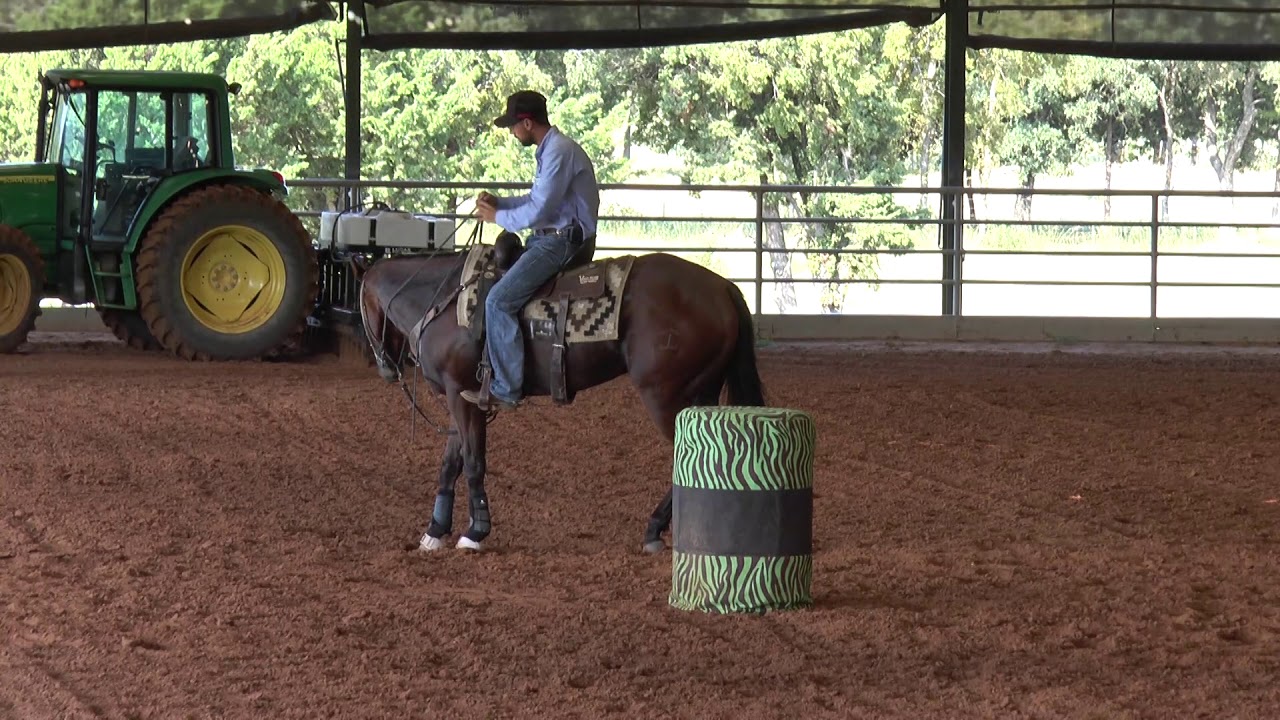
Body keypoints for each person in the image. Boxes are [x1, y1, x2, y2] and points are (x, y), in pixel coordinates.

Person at [461, 90, 600, 412]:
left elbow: (539, 210)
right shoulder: (552, 150)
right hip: (554, 236)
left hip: (563, 241)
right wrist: (502, 204)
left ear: (527, 123)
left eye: (513, 125)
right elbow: (536, 200)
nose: (512, 132)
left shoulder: (559, 152)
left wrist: (498, 218)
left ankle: (507, 388)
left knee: (498, 301)